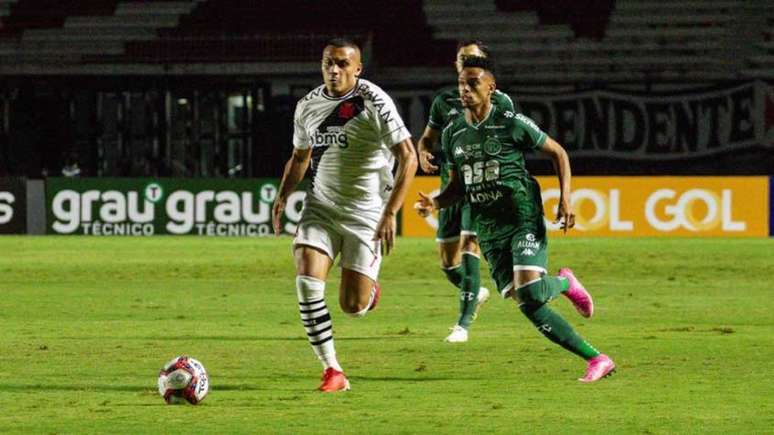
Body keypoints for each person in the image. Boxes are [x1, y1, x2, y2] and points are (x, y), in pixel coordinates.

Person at [415, 56, 615, 382]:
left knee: (531, 292)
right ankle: (597, 358)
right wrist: (435, 202)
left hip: (522, 215)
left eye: (473, 83)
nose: (465, 90)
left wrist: (565, 199)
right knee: (526, 302)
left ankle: (564, 283)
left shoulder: (509, 121)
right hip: (488, 227)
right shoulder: (453, 133)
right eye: (462, 85)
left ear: (491, 87)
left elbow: (558, 153)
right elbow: (458, 187)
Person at [272, 38, 418, 392]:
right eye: (328, 63)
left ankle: (368, 294)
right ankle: (332, 370)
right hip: (321, 206)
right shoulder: (308, 105)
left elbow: (408, 158)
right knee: (307, 281)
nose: (333, 70)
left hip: (367, 213)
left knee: (353, 306)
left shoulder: (373, 101)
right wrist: (281, 198)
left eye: (341, 64)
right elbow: (300, 157)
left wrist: (390, 215)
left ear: (357, 68)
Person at [415, 40, 516, 343]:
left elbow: (512, 144)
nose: (466, 62)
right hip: (450, 188)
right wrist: (422, 153)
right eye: (462, 58)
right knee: (448, 263)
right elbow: (427, 139)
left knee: (470, 245)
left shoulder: (502, 103)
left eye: (473, 58)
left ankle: (462, 325)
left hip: (482, 189)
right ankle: (477, 292)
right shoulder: (444, 101)